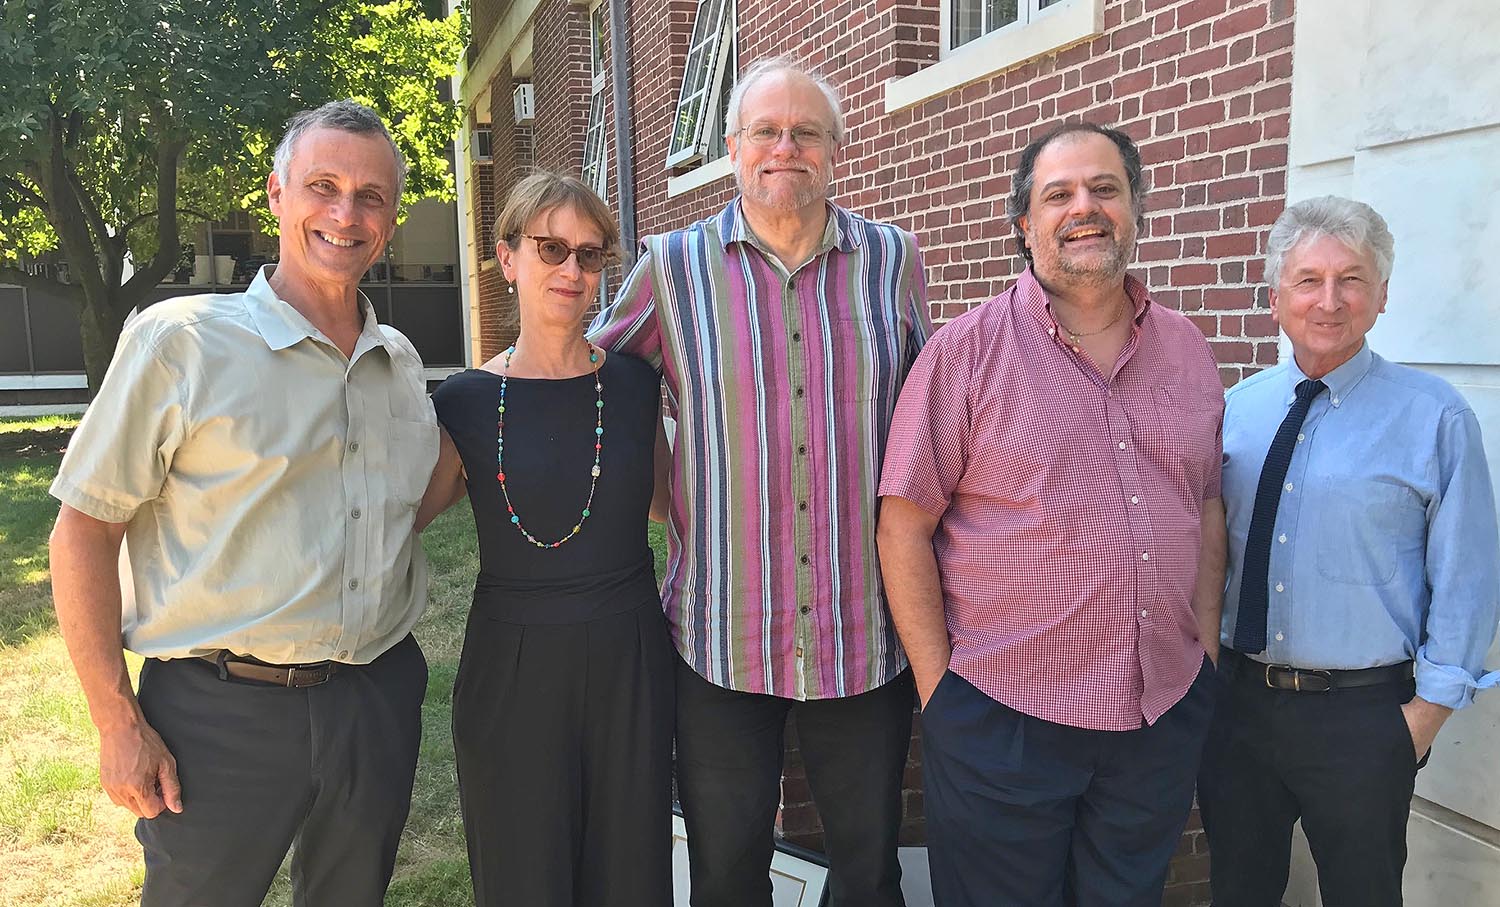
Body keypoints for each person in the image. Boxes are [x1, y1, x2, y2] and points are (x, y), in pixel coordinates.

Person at [47, 100, 435, 907]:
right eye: (322, 186)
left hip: (374, 699)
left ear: (391, 220)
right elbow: (84, 529)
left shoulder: (397, 361)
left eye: (371, 196)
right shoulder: (180, 341)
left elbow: (406, 505)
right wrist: (117, 723)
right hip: (217, 716)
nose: (344, 213)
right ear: (276, 194)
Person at [589, 59, 932, 907]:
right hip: (719, 634)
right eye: (766, 132)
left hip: (863, 634)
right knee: (725, 869)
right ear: (734, 147)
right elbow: (594, 386)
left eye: (806, 132)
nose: (787, 148)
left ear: (836, 150)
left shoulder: (893, 260)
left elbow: (934, 416)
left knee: (869, 870)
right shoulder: (670, 267)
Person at [877, 121, 1227, 907]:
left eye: (1105, 188)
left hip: (1157, 715)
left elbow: (1204, 504)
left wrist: (1201, 654)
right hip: (1004, 719)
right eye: (1058, 193)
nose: (1084, 207)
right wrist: (943, 695)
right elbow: (904, 524)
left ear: (1136, 206)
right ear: (1023, 223)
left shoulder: (1186, 348)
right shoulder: (964, 354)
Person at [1199, 195, 1500, 907]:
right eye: (1308, 279)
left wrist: (1422, 716)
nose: (1329, 300)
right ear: (1275, 297)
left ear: (1383, 295)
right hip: (1238, 708)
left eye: (1352, 278)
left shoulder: (1436, 416)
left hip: (1365, 719)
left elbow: (1468, 578)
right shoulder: (1238, 409)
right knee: (1238, 891)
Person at [418, 171, 673, 906]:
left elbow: (666, 503)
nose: (571, 270)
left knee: (630, 874)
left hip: (629, 658)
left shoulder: (632, 384)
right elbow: (398, 521)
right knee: (523, 871)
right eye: (551, 248)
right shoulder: (464, 401)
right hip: (513, 667)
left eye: (590, 256)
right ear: (507, 258)